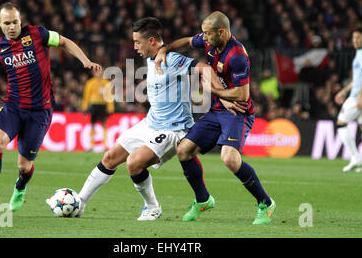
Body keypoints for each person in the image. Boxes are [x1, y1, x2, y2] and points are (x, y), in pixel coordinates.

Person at [71, 17, 243, 221]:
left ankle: (152, 207)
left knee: (134, 164)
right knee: (110, 158)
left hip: (173, 129)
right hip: (151, 122)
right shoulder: (153, 56)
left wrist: (223, 95)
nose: (134, 47)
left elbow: (204, 67)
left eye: (137, 42)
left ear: (151, 40)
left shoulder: (171, 59)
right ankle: (79, 203)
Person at [0, 2, 102, 212]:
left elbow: (64, 41)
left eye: (15, 21)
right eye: (7, 23)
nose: (12, 26)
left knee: (23, 166)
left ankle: (20, 187)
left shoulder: (37, 34)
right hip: (13, 107)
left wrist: (85, 60)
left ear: (20, 20)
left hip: (40, 111)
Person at [155, 11, 276, 225]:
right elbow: (187, 42)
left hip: (237, 112)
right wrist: (166, 48)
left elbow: (242, 95)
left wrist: (213, 90)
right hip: (218, 109)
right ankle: (202, 200)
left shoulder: (237, 56)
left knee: (229, 158)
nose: (204, 37)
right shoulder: (210, 40)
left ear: (221, 32)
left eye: (207, 34)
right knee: (184, 150)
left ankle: (265, 202)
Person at [335, 27, 362, 173]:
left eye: (358, 37)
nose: (355, 40)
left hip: (360, 97)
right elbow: (358, 78)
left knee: (341, 123)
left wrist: (359, 96)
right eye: (353, 38)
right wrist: (343, 91)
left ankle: (355, 157)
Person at [81, 69, 114, 151]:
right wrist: (84, 107)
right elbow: (86, 96)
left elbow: (109, 96)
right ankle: (91, 145)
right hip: (94, 105)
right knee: (92, 124)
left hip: (103, 105)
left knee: (104, 124)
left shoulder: (106, 83)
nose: (98, 73)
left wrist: (110, 107)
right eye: (96, 71)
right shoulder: (90, 83)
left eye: (100, 71)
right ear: (93, 73)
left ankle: (105, 145)